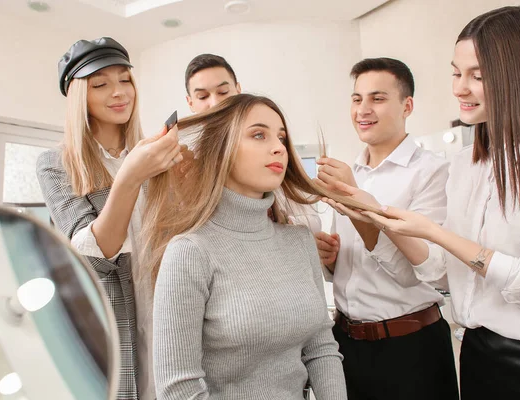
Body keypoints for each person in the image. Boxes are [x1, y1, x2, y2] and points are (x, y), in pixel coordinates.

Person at [328, 6, 520, 399]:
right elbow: (440, 274)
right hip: (478, 352)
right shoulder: (468, 164)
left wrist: (434, 231)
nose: (459, 89)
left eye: (477, 76)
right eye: (456, 72)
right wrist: (379, 216)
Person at [144, 94, 378, 399]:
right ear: (221, 150)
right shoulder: (189, 252)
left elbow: (321, 349)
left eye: (281, 137)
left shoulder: (299, 241)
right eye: (258, 134)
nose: (279, 147)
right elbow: (178, 388)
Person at [37, 37, 185, 400]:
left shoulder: (156, 155)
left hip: (164, 308)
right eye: (101, 84)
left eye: (125, 80)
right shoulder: (57, 164)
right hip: (109, 319)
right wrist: (131, 176)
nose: (119, 92)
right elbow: (93, 252)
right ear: (79, 96)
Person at [313, 57, 458, 400]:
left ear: (407, 105)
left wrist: (361, 207)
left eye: (377, 99)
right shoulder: (352, 172)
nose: (363, 109)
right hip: (347, 344)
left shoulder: (433, 173)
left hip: (410, 347)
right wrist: (329, 258)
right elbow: (346, 269)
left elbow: (416, 273)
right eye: (357, 99)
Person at [184, 53, 321, 233]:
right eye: (203, 96)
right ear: (190, 103)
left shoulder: (275, 152)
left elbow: (311, 222)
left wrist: (298, 239)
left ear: (238, 89)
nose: (216, 102)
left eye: (223, 92)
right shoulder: (186, 164)